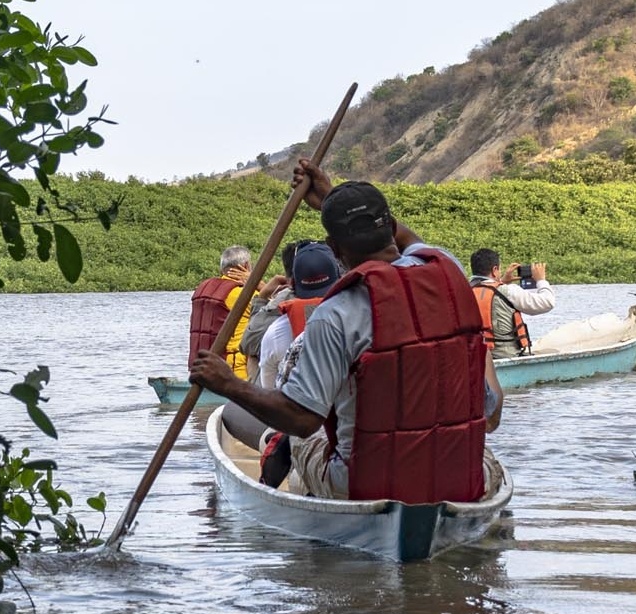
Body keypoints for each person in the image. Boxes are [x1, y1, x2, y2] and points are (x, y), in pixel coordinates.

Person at [190, 160, 503, 502]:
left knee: (300, 438)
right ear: (390, 227)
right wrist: (330, 197)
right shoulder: (448, 269)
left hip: (366, 484)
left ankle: (284, 460)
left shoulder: (334, 315)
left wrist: (227, 383)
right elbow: (410, 239)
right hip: (459, 476)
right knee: (481, 438)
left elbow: (301, 418)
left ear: (335, 249)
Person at [256, 242, 342, 390]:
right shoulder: (361, 315)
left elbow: (268, 389)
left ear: (292, 283)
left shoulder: (275, 333)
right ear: (340, 277)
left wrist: (261, 298)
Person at [237, 239, 317, 377]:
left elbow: (248, 344)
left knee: (253, 356)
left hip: (285, 384)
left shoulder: (286, 298)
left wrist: (262, 297)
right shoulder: (341, 295)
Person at [468, 248, 557, 358]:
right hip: (505, 356)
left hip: (475, 357)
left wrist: (501, 281)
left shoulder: (464, 291)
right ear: (495, 270)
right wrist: (541, 280)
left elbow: (486, 292)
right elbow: (547, 302)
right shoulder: (509, 291)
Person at [188, 245, 254, 380]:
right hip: (235, 374)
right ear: (247, 266)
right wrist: (257, 283)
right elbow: (278, 310)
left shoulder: (201, 290)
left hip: (201, 370)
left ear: (222, 269)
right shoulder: (246, 295)